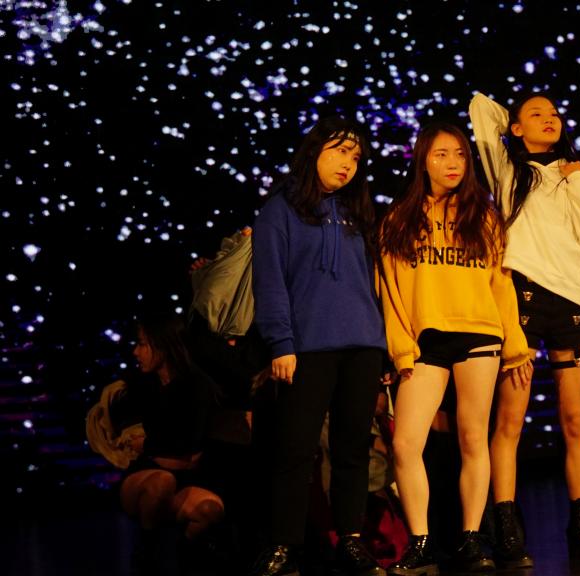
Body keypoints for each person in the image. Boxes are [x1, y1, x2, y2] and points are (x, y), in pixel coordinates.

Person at [469, 91, 580, 562]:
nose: (550, 119)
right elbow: (480, 108)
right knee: (510, 420)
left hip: (573, 302)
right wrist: (516, 127)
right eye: (537, 114)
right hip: (524, 297)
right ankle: (507, 528)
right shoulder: (509, 170)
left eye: (554, 114)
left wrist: (576, 178)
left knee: (576, 420)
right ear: (515, 127)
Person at [377, 123, 531, 574]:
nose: (452, 163)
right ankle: (421, 542)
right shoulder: (399, 219)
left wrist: (516, 345)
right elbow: (390, 292)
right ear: (423, 160)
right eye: (441, 154)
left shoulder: (483, 216)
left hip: (479, 334)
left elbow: (501, 284)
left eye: (460, 154)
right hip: (426, 341)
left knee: (472, 437)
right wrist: (400, 349)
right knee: (406, 442)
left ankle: (471, 537)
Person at [249, 116, 388, 576]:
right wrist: (280, 343)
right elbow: (270, 281)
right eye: (339, 150)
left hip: (363, 345)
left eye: (356, 156)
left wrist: (383, 347)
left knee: (353, 450)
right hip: (307, 347)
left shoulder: (357, 211)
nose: (348, 163)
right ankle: (284, 544)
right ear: (314, 152)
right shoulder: (280, 210)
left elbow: (373, 283)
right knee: (295, 449)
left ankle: (350, 540)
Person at [118, 313, 224, 573]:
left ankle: (184, 556)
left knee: (209, 510)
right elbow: (126, 434)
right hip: (145, 476)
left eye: (142, 344)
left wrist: (148, 445)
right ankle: (147, 557)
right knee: (161, 482)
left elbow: (188, 448)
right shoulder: (142, 383)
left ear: (164, 346)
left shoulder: (197, 385)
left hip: (185, 478)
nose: (135, 352)